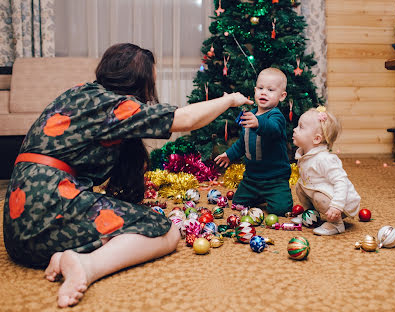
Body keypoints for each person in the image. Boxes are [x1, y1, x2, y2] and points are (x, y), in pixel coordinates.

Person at [2, 43, 252, 308]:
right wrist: (230, 100)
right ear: (138, 82)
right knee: (164, 231)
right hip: (47, 209)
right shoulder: (113, 106)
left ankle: (65, 255)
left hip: (18, 229)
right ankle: (86, 265)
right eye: (150, 83)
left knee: (124, 221)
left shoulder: (79, 93)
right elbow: (186, 119)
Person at [214, 68, 293, 216]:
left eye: (270, 90)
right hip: (251, 179)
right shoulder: (250, 115)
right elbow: (243, 142)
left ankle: (269, 195)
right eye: (261, 88)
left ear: (282, 96)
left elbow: (273, 130)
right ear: (255, 90)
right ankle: (258, 196)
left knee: (281, 210)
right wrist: (229, 154)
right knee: (237, 204)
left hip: (275, 179)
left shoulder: (276, 116)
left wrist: (259, 123)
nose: (264, 92)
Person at [293, 106, 361, 235]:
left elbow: (341, 181)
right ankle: (311, 215)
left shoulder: (325, 159)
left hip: (343, 203)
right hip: (322, 192)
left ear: (316, 139)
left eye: (300, 127)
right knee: (300, 186)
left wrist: (337, 206)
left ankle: (336, 224)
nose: (294, 129)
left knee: (318, 196)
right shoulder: (305, 155)